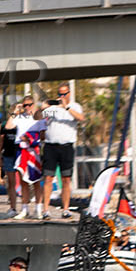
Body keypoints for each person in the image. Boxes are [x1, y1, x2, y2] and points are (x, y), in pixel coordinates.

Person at [38, 84, 84, 218]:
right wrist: (45, 105)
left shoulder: (75, 106)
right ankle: (46, 209)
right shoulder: (53, 109)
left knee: (66, 179)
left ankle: (66, 208)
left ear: (69, 93)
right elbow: (38, 115)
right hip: (51, 146)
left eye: (64, 94)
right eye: (59, 94)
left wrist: (67, 107)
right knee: (48, 178)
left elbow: (81, 118)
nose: (61, 97)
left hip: (66, 147)